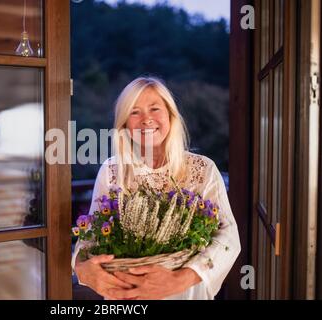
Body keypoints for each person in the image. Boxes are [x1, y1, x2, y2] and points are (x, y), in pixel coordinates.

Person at [72, 77, 241, 300]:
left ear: (171, 116)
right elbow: (90, 236)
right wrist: (81, 268)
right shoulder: (112, 170)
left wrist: (181, 279)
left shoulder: (202, 168)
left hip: (183, 294)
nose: (146, 120)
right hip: (126, 296)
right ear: (124, 124)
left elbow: (228, 236)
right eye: (134, 112)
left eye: (155, 109)